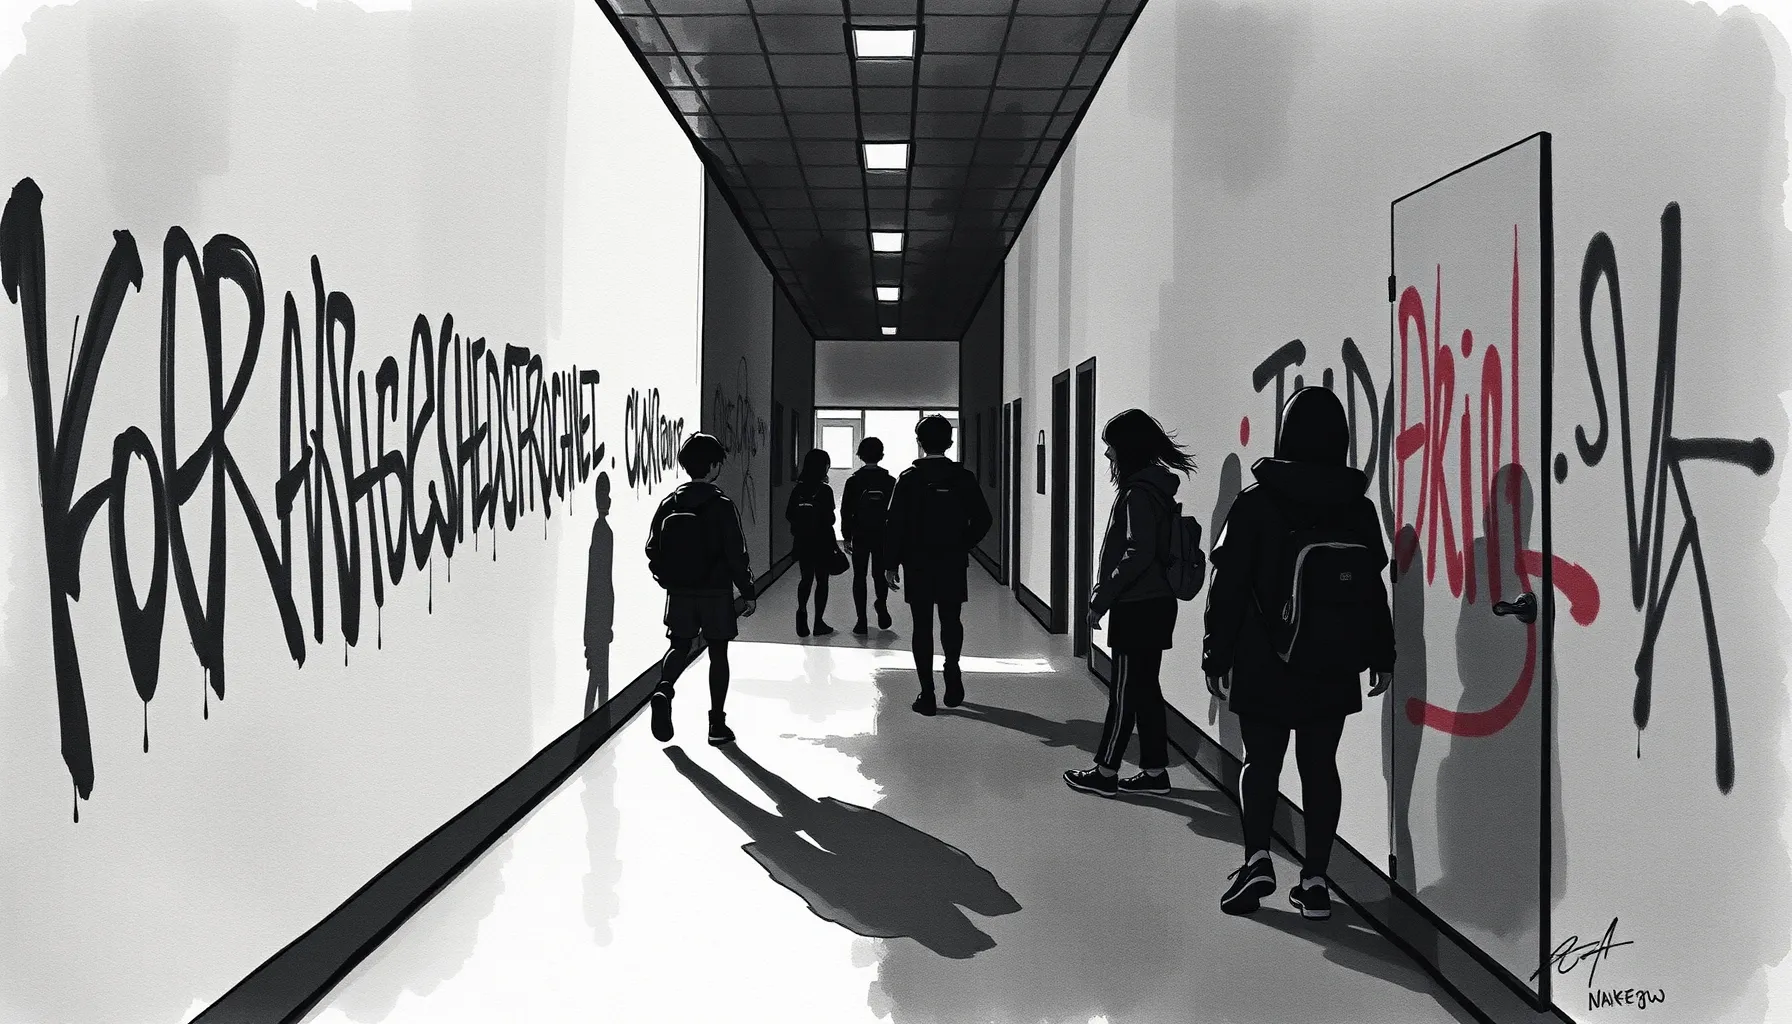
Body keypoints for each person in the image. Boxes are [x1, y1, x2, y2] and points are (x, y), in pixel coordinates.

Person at [1203, 387, 1394, 921]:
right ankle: (1314, 881)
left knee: (1261, 762)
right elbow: (1372, 590)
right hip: (1332, 662)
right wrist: (1382, 653)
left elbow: (1227, 589)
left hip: (1264, 659)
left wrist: (1215, 656)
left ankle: (1257, 860)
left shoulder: (1255, 503)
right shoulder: (1357, 508)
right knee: (1320, 767)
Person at [1064, 409, 1197, 799]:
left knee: (1124, 692)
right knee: (1146, 690)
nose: (1108, 454)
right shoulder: (1157, 490)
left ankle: (1105, 772)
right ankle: (1155, 772)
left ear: (1128, 449)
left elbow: (1138, 553)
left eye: (1112, 447)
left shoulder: (1137, 493)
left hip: (1137, 606)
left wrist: (1100, 599)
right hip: (1158, 604)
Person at [644, 433, 758, 746]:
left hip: (680, 592)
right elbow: (736, 554)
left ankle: (664, 689)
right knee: (718, 653)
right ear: (713, 466)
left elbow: (652, 548)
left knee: (679, 645)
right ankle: (716, 725)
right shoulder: (721, 505)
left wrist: (667, 579)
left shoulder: (670, 503)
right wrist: (747, 591)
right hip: (716, 592)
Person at [882, 415, 993, 715]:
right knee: (951, 619)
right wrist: (963, 543)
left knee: (922, 625)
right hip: (951, 560)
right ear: (950, 442)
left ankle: (927, 694)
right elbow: (984, 519)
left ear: (919, 443)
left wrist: (891, 563)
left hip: (916, 561)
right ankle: (952, 671)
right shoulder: (963, 477)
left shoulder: (908, 479)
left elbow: (894, 524)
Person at [841, 436, 896, 635]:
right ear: (881, 455)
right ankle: (881, 603)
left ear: (860, 455)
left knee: (859, 576)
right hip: (882, 534)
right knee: (879, 574)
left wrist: (846, 536)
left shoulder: (853, 481)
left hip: (860, 533)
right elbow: (896, 513)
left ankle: (861, 620)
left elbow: (846, 511)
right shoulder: (890, 481)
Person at [786, 448, 839, 637]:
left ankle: (801, 613)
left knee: (805, 579)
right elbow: (830, 519)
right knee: (822, 581)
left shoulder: (797, 490)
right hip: (822, 542)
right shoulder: (825, 490)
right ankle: (818, 623)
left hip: (803, 541)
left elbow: (789, 514)